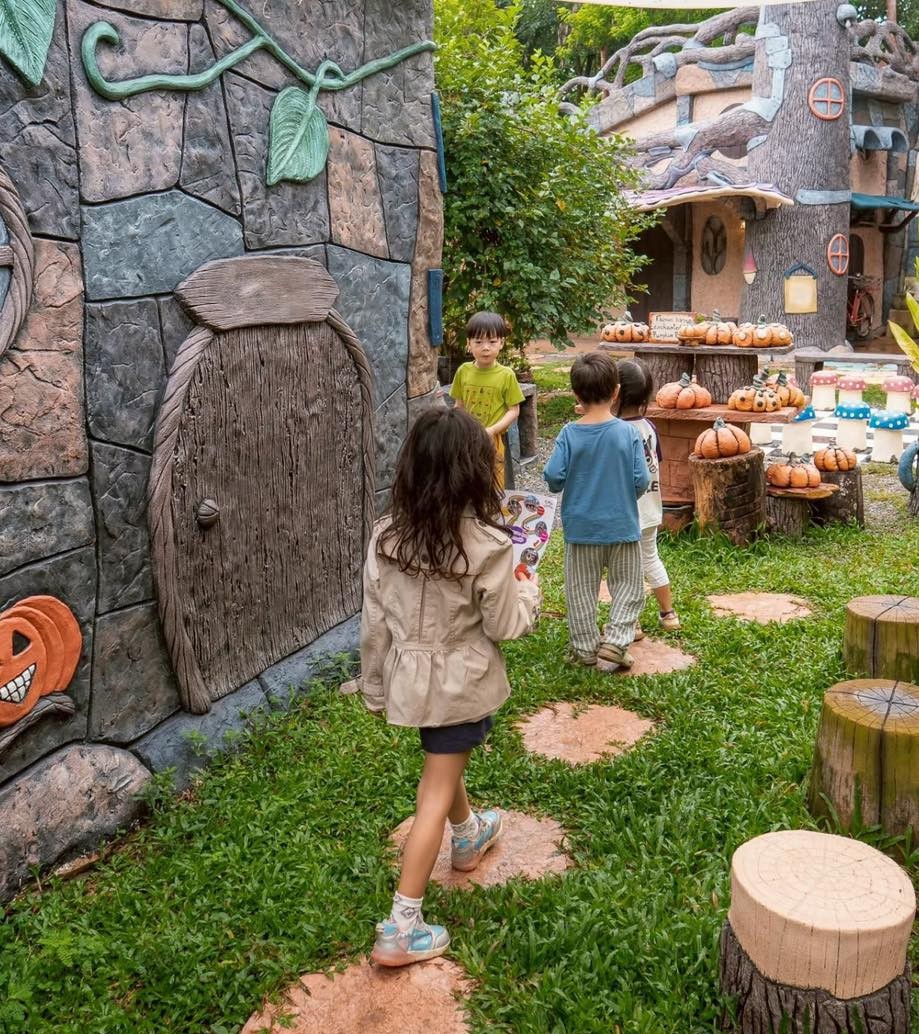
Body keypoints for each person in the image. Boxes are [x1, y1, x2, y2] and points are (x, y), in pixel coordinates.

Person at [360, 406, 541, 967]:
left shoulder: (387, 536)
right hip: (460, 684)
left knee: (444, 759)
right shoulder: (488, 543)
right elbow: (505, 625)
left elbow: (373, 622)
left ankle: (468, 835)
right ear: (474, 471)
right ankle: (401, 926)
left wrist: (373, 688)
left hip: (411, 681)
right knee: (434, 791)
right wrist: (529, 591)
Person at [543, 352, 649, 669]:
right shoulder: (629, 433)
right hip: (622, 526)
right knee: (629, 587)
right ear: (616, 392)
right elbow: (641, 480)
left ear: (576, 395)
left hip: (581, 529)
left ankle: (586, 649)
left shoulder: (568, 434)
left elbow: (553, 477)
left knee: (580, 591)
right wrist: (624, 497)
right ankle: (615, 642)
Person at [615, 359, 680, 634]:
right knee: (651, 558)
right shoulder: (649, 427)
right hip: (651, 507)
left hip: (625, 512)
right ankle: (669, 614)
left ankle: (633, 623)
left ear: (614, 392)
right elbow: (656, 462)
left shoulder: (616, 431)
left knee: (623, 569)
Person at [449, 312, 525, 489]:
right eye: (478, 342)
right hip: (467, 439)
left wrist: (492, 430)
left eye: (492, 342)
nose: (485, 348)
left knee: (495, 484)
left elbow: (514, 410)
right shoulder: (463, 371)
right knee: (467, 481)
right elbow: (459, 406)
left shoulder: (506, 375)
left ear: (501, 343)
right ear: (468, 344)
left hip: (495, 440)